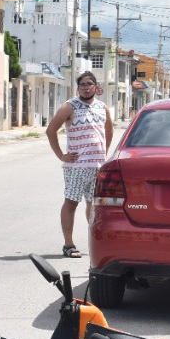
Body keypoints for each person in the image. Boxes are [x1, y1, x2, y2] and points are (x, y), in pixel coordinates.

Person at [47, 71, 113, 259]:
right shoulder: (70, 106)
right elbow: (51, 130)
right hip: (76, 167)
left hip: (97, 166)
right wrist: (61, 155)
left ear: (95, 86)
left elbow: (109, 130)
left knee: (95, 206)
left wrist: (103, 152)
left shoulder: (102, 107)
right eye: (82, 84)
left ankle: (96, 244)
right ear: (78, 87)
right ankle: (68, 245)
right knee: (71, 203)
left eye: (89, 84)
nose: (86, 87)